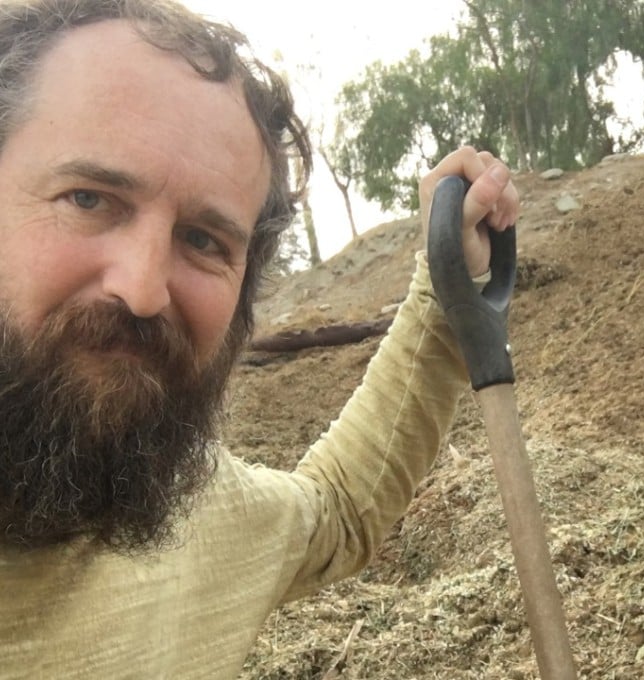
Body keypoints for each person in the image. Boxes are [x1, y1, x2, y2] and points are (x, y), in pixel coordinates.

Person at [0, 0, 519, 676]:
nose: (144, 289)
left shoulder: (189, 519)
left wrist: (446, 287)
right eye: (89, 199)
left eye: (202, 240)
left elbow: (338, 509)